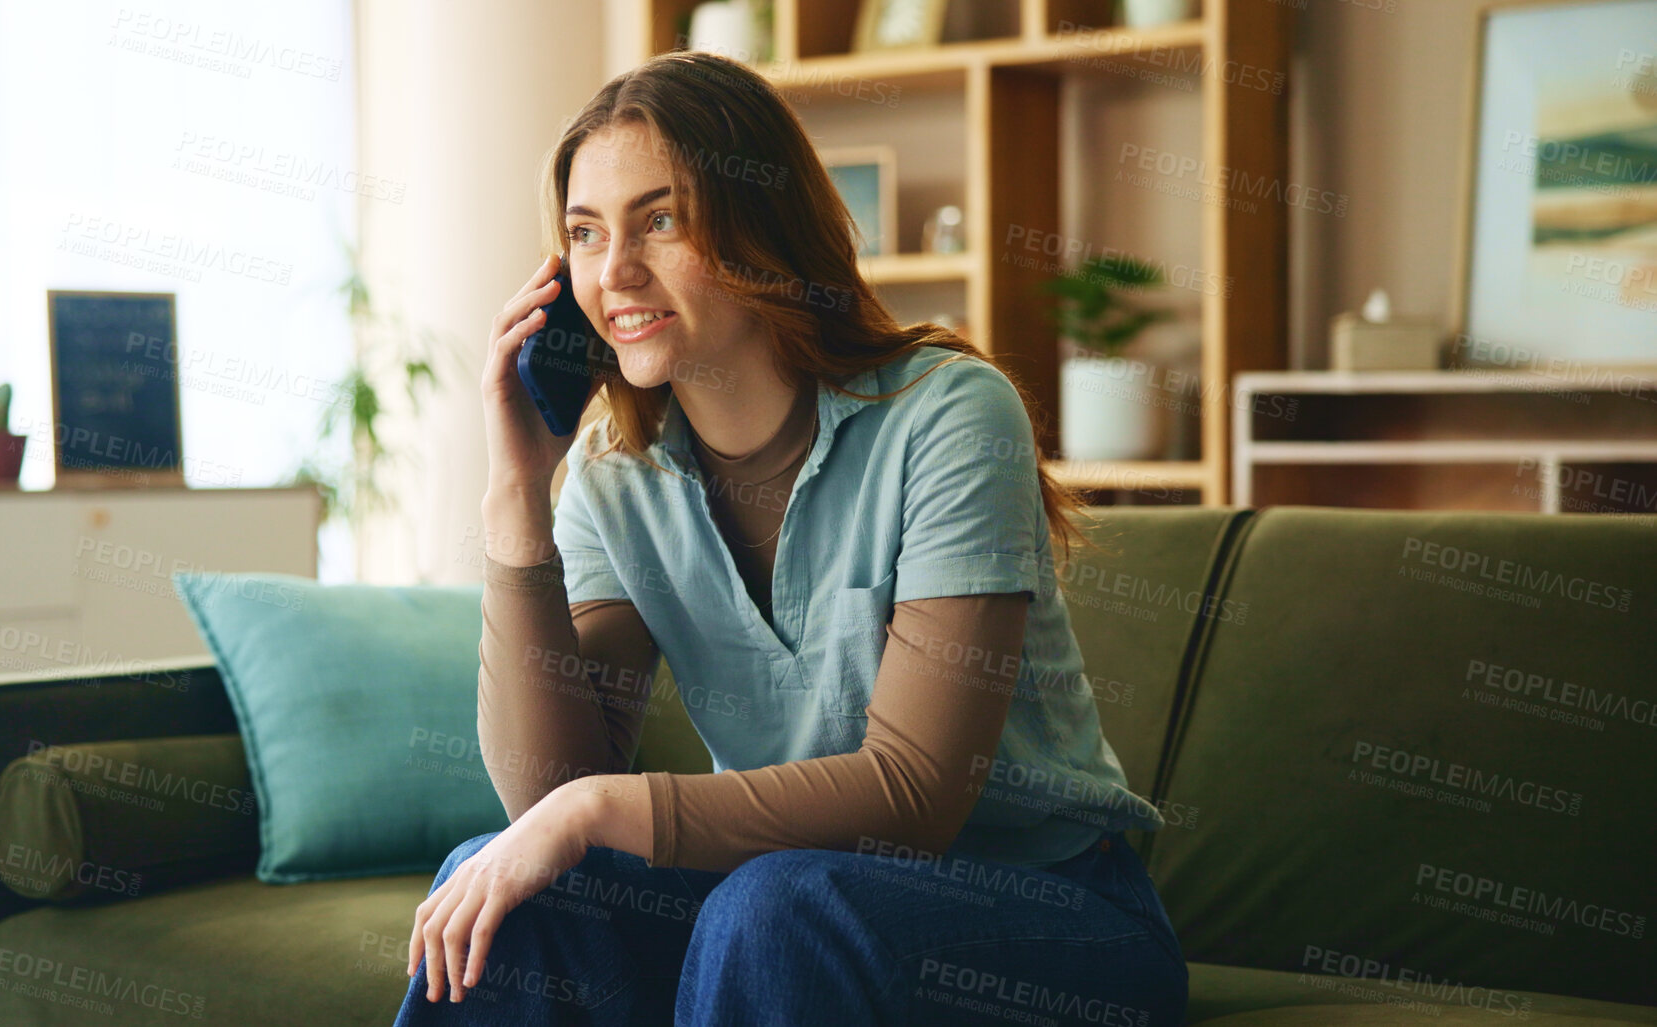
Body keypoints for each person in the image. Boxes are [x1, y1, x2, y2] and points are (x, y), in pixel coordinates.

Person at [394, 49, 1187, 1027]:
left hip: (1054, 916)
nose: (616, 272)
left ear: (761, 228)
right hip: (783, 899)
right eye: (586, 234)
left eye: (661, 219)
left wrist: (601, 808)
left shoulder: (949, 415)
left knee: (776, 909)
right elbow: (548, 794)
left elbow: (916, 794)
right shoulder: (612, 475)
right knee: (501, 883)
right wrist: (518, 489)